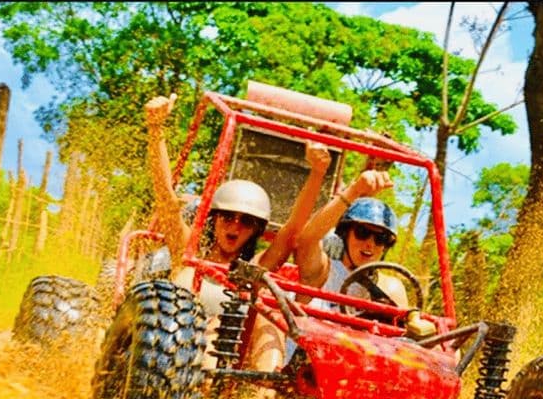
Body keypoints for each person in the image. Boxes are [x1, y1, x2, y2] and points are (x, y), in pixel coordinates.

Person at [144, 93, 331, 372]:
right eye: (228, 217)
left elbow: (293, 230)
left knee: (271, 314)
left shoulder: (255, 269)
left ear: (256, 229)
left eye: (246, 221)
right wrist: (156, 130)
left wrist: (317, 173)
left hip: (220, 366)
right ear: (214, 218)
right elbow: (166, 199)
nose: (234, 225)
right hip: (166, 358)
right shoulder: (188, 251)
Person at [294, 169, 407, 310]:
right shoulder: (323, 270)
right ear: (346, 234)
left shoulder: (389, 289)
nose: (370, 244)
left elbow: (402, 328)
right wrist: (354, 190)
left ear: (385, 246)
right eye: (362, 232)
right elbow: (307, 239)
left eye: (380, 238)